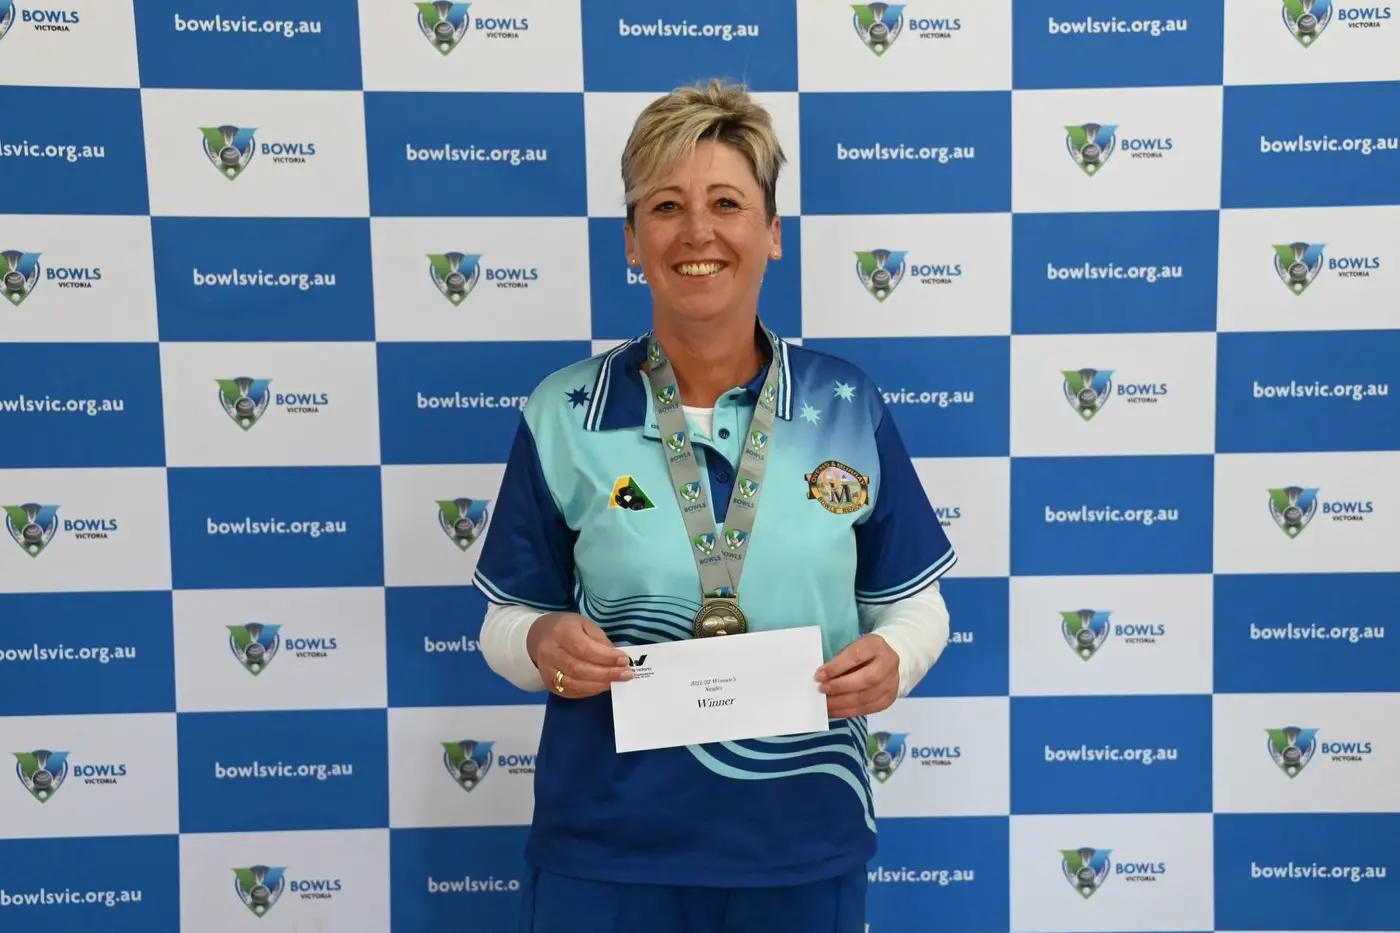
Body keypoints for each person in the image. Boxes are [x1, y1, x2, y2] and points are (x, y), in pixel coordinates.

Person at [473, 78, 958, 933]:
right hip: (606, 852)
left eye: (727, 202)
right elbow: (509, 621)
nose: (697, 232)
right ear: (631, 239)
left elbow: (914, 607)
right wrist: (542, 641)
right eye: (665, 205)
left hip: (802, 846)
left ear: (772, 233)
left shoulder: (845, 404)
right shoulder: (564, 411)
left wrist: (896, 660)